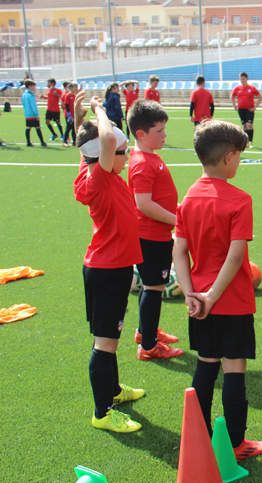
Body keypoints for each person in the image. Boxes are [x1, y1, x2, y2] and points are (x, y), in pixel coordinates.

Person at [172, 120, 262, 461]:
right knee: (234, 369)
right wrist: (213, 295)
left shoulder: (188, 199)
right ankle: (235, 443)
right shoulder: (239, 200)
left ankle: (200, 437)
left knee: (205, 364)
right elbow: (235, 255)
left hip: (199, 301)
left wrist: (190, 294)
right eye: (239, 157)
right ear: (229, 157)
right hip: (229, 300)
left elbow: (178, 252)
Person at [74, 92, 145, 433]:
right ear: (102, 155)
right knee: (105, 341)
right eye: (121, 151)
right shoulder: (99, 178)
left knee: (110, 337)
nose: (126, 154)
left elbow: (88, 142)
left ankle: (113, 391)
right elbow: (101, 139)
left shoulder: (94, 172)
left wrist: (80, 115)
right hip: (107, 270)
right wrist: (100, 110)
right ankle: (102, 412)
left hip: (110, 267)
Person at [127, 99, 185, 361]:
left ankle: (145, 331)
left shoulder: (151, 158)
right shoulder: (142, 163)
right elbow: (143, 204)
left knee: (154, 286)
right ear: (141, 134)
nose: (164, 135)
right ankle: (148, 346)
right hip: (150, 236)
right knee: (153, 287)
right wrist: (176, 220)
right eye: (159, 131)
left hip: (156, 234)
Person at [231, 72, 261, 147]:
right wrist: (234, 105)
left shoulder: (251, 88)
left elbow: (260, 97)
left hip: (249, 110)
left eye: (243, 79)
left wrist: (255, 107)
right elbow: (232, 96)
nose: (242, 80)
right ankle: (245, 142)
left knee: (249, 125)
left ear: (247, 79)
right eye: (241, 79)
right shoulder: (237, 88)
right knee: (244, 126)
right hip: (241, 110)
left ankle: (250, 142)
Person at [21, 79, 47, 147]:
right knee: (37, 128)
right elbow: (33, 106)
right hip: (33, 114)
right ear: (29, 86)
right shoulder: (30, 95)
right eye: (34, 86)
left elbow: (23, 104)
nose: (35, 88)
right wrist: (36, 115)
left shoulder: (24, 94)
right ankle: (42, 142)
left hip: (27, 114)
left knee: (28, 127)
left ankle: (28, 142)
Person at [40, 78, 64, 142]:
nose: (47, 84)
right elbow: (49, 97)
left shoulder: (58, 90)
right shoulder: (49, 90)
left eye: (48, 82)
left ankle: (62, 135)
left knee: (58, 122)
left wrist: (57, 95)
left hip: (55, 110)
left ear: (52, 83)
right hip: (49, 109)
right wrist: (44, 97)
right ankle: (54, 134)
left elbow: (62, 97)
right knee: (47, 122)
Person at [61, 81, 77, 146]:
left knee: (74, 128)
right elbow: (66, 105)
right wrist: (69, 115)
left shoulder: (74, 95)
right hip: (69, 115)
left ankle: (74, 141)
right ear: (71, 88)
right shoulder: (68, 95)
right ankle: (65, 141)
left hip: (74, 115)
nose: (75, 88)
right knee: (68, 128)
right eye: (74, 87)